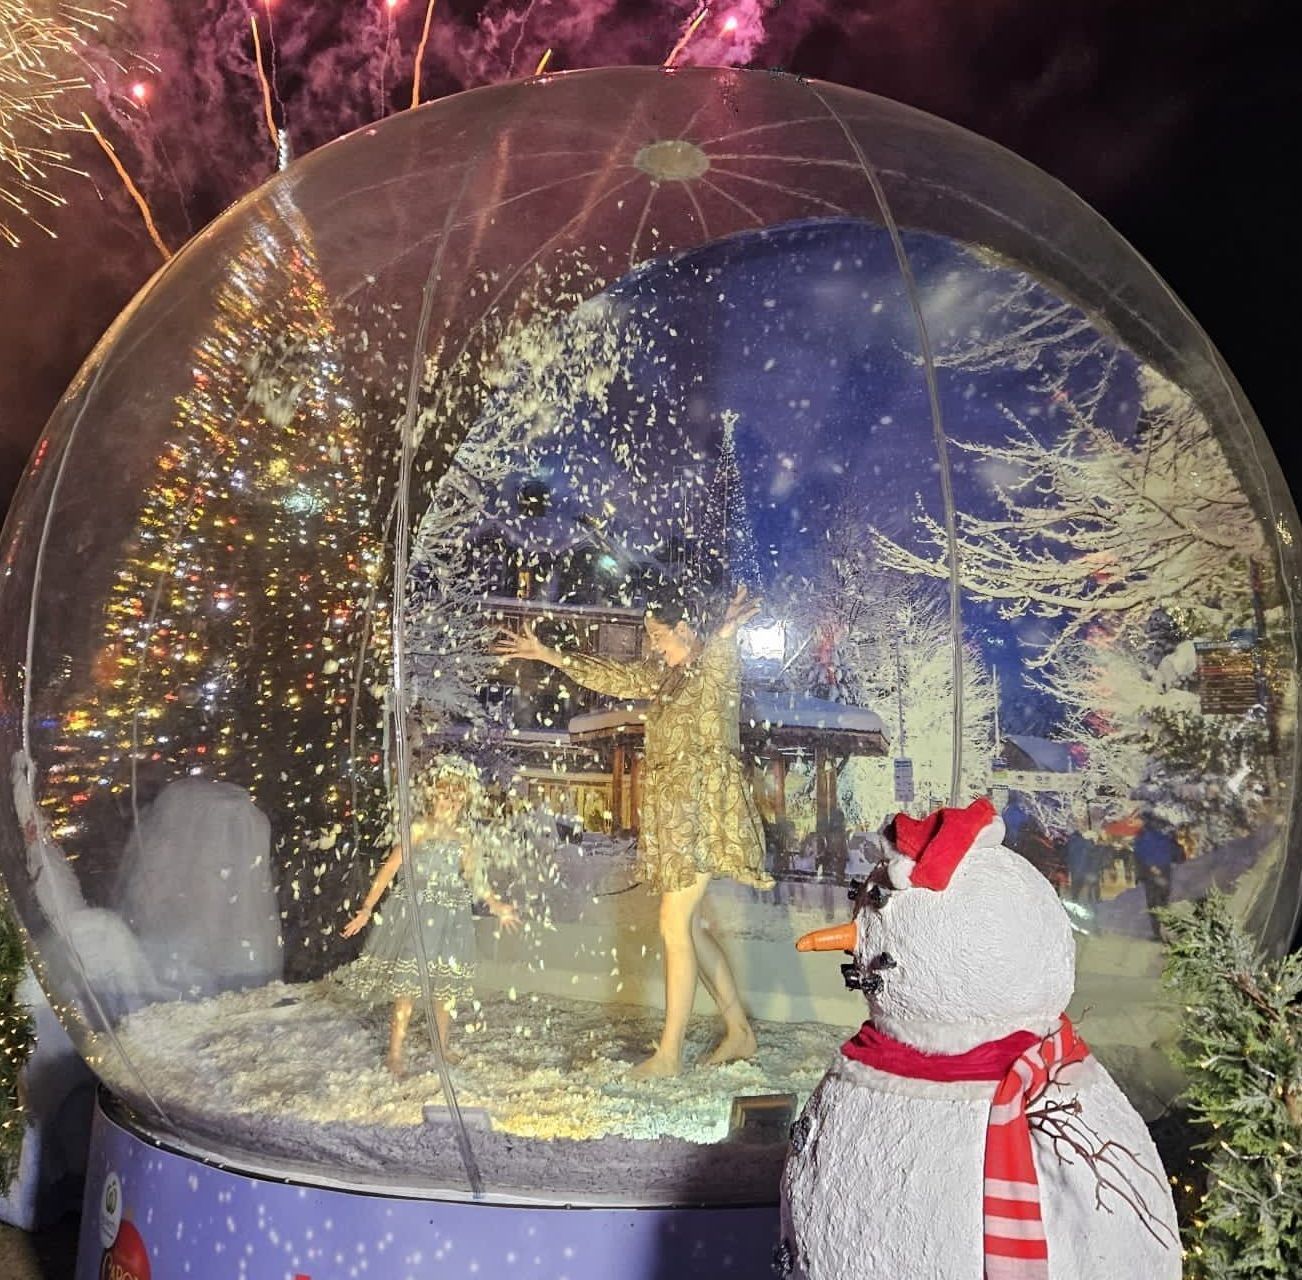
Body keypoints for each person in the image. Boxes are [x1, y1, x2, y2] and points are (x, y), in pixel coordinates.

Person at [494, 584, 773, 1078]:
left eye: (661, 637)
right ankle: (739, 1032)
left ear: (685, 631)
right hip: (675, 813)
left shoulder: (712, 669)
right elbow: (614, 675)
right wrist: (549, 655)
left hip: (702, 811)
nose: (655, 648)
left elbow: (723, 655)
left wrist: (727, 628)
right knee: (686, 926)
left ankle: (668, 1056)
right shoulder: (666, 677)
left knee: (673, 924)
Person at [338, 757, 520, 1076]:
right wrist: (367, 907)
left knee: (445, 987)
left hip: (451, 915)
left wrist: (496, 904)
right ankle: (395, 1052)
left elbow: (475, 878)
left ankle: (441, 1046)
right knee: (408, 984)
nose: (450, 800)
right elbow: (390, 869)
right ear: (433, 795)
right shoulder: (420, 827)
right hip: (418, 912)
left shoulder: (464, 836)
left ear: (465, 798)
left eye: (457, 794)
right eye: (444, 793)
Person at [1133, 810, 1180, 941]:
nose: (1136, 822)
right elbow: (1173, 852)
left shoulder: (1145, 836)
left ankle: (1160, 933)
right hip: (1162, 871)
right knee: (1162, 902)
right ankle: (1164, 932)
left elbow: (1142, 853)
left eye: (1138, 819)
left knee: (1155, 903)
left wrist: (1152, 866)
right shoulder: (1162, 835)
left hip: (1154, 873)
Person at [1065, 827, 1106, 908]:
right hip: (1084, 869)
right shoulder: (1085, 843)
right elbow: (1093, 853)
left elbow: (1067, 856)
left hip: (1075, 869)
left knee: (1076, 886)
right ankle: (1094, 901)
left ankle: (1074, 901)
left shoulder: (1070, 844)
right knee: (1093, 884)